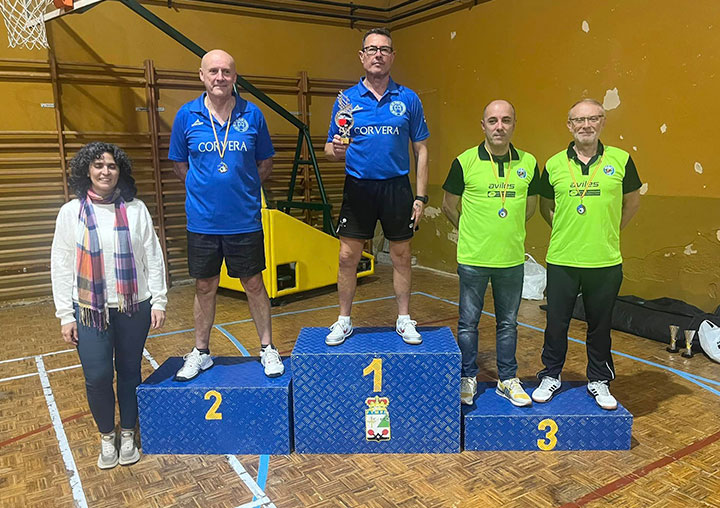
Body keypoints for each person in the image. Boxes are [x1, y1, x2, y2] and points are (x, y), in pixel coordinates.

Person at [51, 142, 167, 469]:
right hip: (89, 310)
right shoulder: (70, 213)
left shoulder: (136, 209)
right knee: (98, 376)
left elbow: (153, 258)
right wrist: (64, 314)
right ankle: (107, 435)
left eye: (112, 166)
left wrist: (158, 299)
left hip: (134, 307)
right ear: (87, 170)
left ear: (120, 171)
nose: (105, 171)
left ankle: (128, 433)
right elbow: (60, 264)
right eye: (99, 165)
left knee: (129, 371)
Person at [169, 49, 284, 380]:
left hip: (244, 219)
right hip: (202, 221)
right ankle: (201, 352)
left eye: (227, 72)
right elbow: (180, 165)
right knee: (205, 286)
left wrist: (243, 189)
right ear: (201, 76)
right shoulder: (186, 116)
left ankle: (267, 348)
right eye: (213, 71)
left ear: (235, 77)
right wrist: (204, 189)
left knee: (253, 283)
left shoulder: (253, 114)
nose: (220, 77)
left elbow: (265, 164)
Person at [531, 98, 642, 410]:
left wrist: (609, 230)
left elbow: (632, 202)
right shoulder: (553, 164)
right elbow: (545, 206)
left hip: (604, 261)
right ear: (569, 125)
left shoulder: (621, 160)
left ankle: (599, 379)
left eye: (593, 118)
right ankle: (551, 374)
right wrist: (567, 229)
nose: (586, 125)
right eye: (579, 120)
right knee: (556, 322)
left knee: (600, 325)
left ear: (602, 122)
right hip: (563, 259)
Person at [324, 27, 430, 346]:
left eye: (384, 49)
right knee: (347, 257)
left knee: (401, 254)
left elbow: (421, 150)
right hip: (358, 187)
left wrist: (421, 197)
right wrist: (335, 151)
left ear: (393, 56)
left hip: (397, 188)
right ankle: (344, 320)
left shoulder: (408, 98)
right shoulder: (346, 99)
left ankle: (403, 318)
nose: (378, 55)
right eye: (372, 49)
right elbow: (330, 147)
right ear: (362, 56)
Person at [442, 100, 540, 406]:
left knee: (508, 323)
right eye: (493, 121)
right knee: (468, 323)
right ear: (483, 125)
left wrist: (504, 231)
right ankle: (467, 376)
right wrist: (471, 231)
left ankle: (507, 379)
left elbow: (532, 207)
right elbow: (448, 205)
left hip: (510, 260)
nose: (500, 127)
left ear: (514, 125)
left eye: (506, 120)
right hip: (473, 259)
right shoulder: (464, 161)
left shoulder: (528, 163)